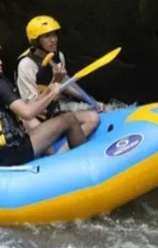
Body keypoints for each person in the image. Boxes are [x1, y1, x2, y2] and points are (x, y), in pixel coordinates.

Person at [0, 39, 87, 166]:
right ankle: (84, 165)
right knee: (69, 119)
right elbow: (27, 113)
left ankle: (54, 159)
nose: (0, 62)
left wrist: (54, 83)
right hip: (13, 152)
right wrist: (53, 93)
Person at [16, 15, 101, 150]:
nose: (53, 39)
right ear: (36, 41)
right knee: (33, 125)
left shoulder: (58, 56)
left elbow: (66, 85)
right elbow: (31, 107)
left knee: (93, 118)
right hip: (35, 116)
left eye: (54, 35)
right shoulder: (26, 65)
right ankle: (54, 155)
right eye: (47, 36)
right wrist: (55, 82)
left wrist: (89, 100)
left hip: (54, 109)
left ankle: (63, 153)